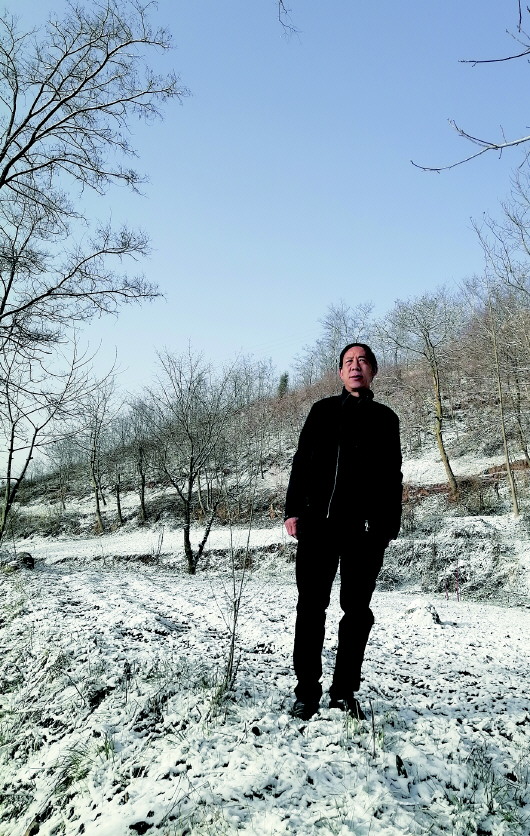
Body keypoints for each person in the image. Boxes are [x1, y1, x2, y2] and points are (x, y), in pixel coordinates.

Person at [284, 343, 402, 720]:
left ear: (373, 371)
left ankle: (344, 692)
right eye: (349, 362)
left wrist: (388, 525)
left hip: (365, 532)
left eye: (362, 361)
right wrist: (293, 510)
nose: (355, 366)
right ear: (340, 372)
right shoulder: (322, 411)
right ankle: (307, 691)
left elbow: (392, 475)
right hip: (318, 526)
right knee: (310, 607)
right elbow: (301, 461)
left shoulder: (386, 419)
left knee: (357, 612)